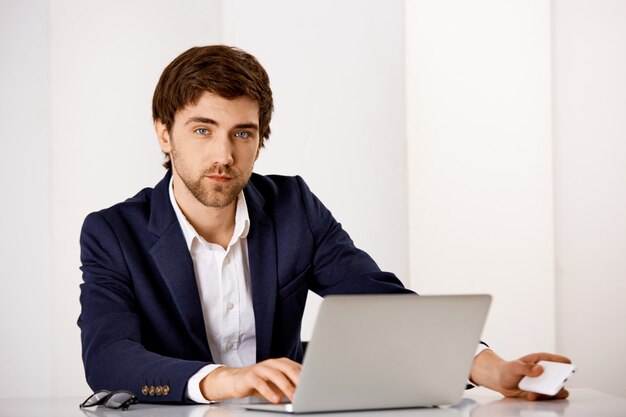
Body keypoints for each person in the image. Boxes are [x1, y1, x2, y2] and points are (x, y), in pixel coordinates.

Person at [78, 45, 571, 405]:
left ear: (260, 139)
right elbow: (109, 357)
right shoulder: (112, 234)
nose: (223, 155)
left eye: (242, 133)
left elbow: (379, 302)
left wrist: (492, 368)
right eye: (202, 130)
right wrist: (224, 379)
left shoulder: (293, 206)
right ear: (164, 134)